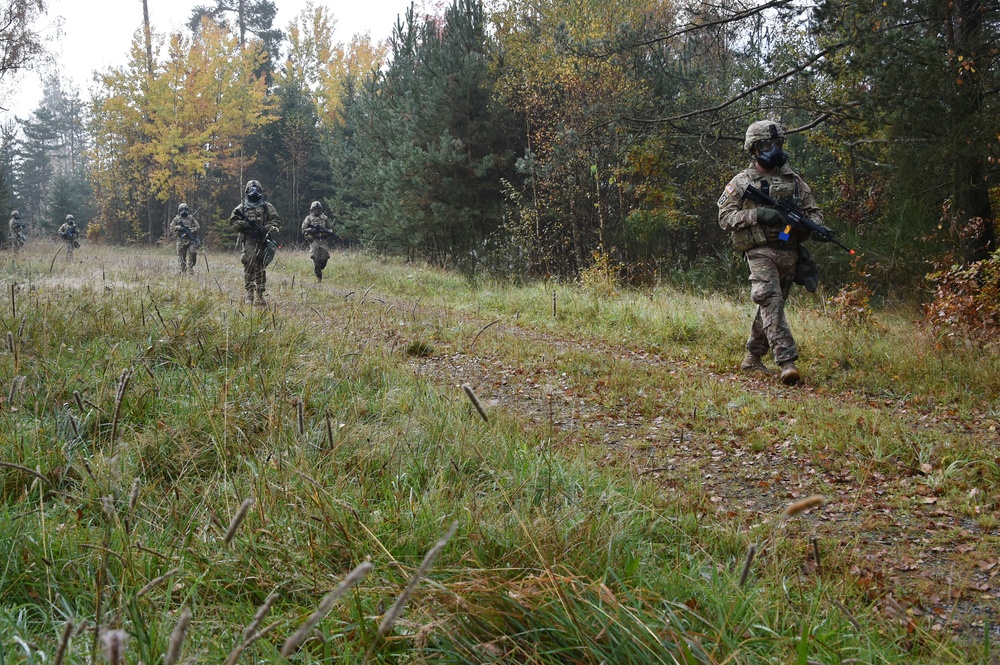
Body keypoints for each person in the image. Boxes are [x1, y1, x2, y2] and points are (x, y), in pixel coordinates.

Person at [717, 120, 833, 385]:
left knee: (769, 307)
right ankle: (787, 361)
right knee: (770, 299)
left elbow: (814, 211)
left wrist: (813, 227)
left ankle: (752, 359)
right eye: (769, 144)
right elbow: (725, 218)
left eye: (779, 143)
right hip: (760, 251)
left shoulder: (794, 181)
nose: (776, 149)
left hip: (789, 251)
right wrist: (758, 214)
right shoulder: (741, 182)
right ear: (756, 148)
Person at [229, 180, 281, 305]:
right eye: (252, 188)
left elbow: (276, 220)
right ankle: (249, 294)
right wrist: (244, 224)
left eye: (256, 188)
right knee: (249, 265)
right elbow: (232, 223)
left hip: (262, 240)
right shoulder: (241, 207)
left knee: (260, 267)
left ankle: (260, 295)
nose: (254, 191)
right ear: (247, 190)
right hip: (249, 241)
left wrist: (266, 228)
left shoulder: (266, 206)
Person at [300, 200, 336, 282]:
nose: (317, 211)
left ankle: (320, 267)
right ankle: (319, 277)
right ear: (312, 210)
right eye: (315, 209)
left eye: (318, 209)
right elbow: (303, 229)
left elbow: (329, 228)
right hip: (314, 240)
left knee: (325, 257)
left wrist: (327, 233)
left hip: (323, 240)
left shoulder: (325, 218)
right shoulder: (308, 218)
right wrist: (311, 231)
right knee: (315, 258)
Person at [169, 202, 201, 274]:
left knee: (193, 252)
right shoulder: (177, 219)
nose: (184, 211)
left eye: (185, 209)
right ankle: (183, 270)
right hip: (181, 239)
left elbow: (198, 226)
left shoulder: (191, 218)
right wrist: (178, 228)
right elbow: (171, 228)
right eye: (182, 209)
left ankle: (191, 268)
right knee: (181, 256)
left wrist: (192, 230)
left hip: (190, 239)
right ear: (179, 210)